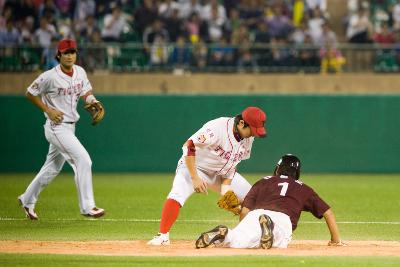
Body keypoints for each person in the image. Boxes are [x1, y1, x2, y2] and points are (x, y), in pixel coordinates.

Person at [147, 107, 267, 245]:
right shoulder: (217, 128)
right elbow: (189, 145)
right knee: (177, 193)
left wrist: (225, 190)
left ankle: (243, 237)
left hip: (220, 174)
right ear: (241, 123)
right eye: (252, 129)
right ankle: (162, 236)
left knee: (253, 198)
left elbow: (232, 163)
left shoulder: (248, 138)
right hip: (195, 167)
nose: (254, 134)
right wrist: (194, 177)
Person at [18, 39, 105, 220]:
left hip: (70, 127)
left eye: (72, 52)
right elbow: (29, 93)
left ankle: (27, 199)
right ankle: (88, 206)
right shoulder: (50, 76)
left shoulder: (80, 72)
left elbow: (85, 93)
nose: (69, 56)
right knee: (83, 160)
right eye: (66, 53)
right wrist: (48, 110)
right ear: (59, 55)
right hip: (56, 127)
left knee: (51, 169)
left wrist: (93, 101)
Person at [195, 154, 346, 249]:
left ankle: (226, 233)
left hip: (256, 215)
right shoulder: (303, 188)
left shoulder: (263, 181)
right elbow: (328, 213)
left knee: (239, 241)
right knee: (277, 242)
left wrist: (243, 226)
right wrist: (335, 240)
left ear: (277, 169)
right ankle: (270, 228)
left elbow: (245, 211)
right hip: (282, 219)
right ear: (297, 173)